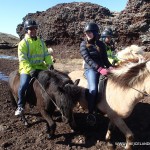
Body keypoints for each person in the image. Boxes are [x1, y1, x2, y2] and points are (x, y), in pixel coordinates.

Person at [15, 19, 54, 116]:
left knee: (53, 82)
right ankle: (20, 106)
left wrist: (49, 63)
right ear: (26, 30)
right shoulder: (23, 43)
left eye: (34, 28)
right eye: (30, 29)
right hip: (27, 69)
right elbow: (23, 59)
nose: (33, 30)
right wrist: (30, 69)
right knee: (23, 85)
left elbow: (46, 54)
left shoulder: (41, 42)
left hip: (41, 67)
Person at [80, 22, 112, 125]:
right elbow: (88, 59)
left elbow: (105, 59)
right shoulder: (83, 44)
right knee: (93, 90)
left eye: (89, 32)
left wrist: (111, 67)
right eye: (86, 32)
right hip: (91, 69)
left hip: (102, 68)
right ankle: (91, 113)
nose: (87, 34)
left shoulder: (101, 44)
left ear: (95, 32)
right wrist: (99, 68)